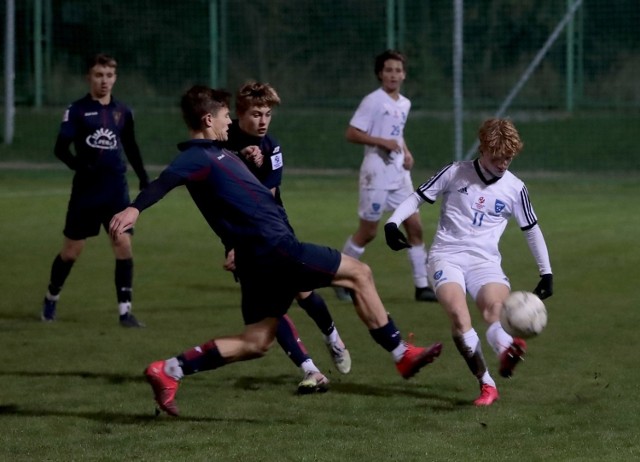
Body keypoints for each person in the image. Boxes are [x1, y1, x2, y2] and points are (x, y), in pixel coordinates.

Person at [109, 85, 443, 416]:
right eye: (226, 117)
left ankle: (170, 370)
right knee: (360, 273)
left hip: (255, 259)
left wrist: (248, 160)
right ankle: (401, 353)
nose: (229, 123)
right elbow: (165, 180)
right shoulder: (197, 156)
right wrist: (135, 208)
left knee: (256, 342)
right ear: (208, 119)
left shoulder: (219, 153)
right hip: (273, 247)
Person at [384, 118, 554, 406]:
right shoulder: (455, 172)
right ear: (483, 150)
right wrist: (391, 224)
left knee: (495, 310)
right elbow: (416, 198)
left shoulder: (515, 188)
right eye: (497, 157)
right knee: (460, 317)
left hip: (485, 263)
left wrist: (546, 272)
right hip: (446, 256)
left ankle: (506, 351)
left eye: (509, 158)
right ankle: (487, 384)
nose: (503, 164)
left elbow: (532, 229)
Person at [223, 81, 351, 393]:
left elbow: (267, 194)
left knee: (303, 293)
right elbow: (222, 197)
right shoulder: (224, 143)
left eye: (267, 114)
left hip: (275, 230)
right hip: (242, 235)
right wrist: (232, 245)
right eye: (256, 114)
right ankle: (310, 369)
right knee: (270, 307)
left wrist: (254, 165)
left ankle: (332, 336)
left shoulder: (272, 147)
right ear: (240, 114)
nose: (263, 120)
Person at [41, 53, 149, 327]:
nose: (104, 81)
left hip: (116, 190)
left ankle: (125, 312)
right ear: (89, 77)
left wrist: (144, 177)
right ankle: (51, 298)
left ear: (115, 78)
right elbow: (60, 148)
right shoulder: (77, 110)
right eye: (99, 75)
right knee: (71, 251)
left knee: (123, 244)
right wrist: (80, 166)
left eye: (109, 75)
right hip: (86, 194)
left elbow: (132, 146)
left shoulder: (123, 111)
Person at [337, 49, 436, 303]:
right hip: (376, 174)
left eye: (398, 70)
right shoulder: (373, 101)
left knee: (414, 226)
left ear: (404, 75)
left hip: (399, 174)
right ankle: (339, 277)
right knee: (368, 232)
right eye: (388, 70)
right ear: (380, 74)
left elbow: (396, 133)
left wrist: (406, 151)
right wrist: (380, 142)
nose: (393, 75)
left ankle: (422, 286)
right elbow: (351, 133)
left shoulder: (404, 103)